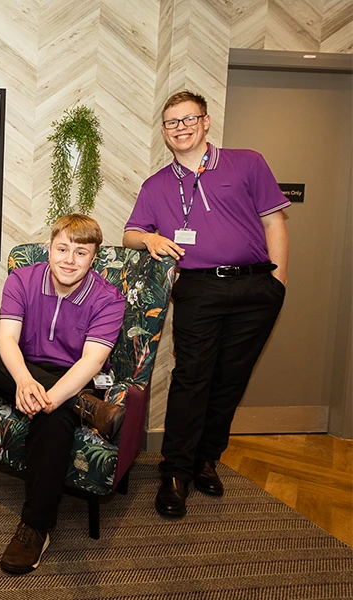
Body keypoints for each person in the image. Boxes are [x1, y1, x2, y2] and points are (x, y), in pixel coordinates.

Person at [123, 90, 289, 518]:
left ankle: (206, 459)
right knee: (193, 377)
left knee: (231, 379)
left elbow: (274, 221)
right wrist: (151, 238)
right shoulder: (156, 185)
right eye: (172, 122)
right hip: (198, 289)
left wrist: (279, 282)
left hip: (256, 289)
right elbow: (129, 235)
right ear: (164, 132)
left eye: (188, 119)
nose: (181, 128)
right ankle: (175, 472)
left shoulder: (247, 162)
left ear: (206, 121)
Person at [0, 214, 126, 575]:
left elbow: (92, 361)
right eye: (62, 249)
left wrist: (55, 398)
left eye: (81, 253)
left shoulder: (108, 298)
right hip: (22, 371)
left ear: (93, 258)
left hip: (73, 377)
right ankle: (85, 409)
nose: (69, 260)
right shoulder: (22, 279)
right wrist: (25, 381)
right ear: (49, 248)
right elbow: (6, 339)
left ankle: (35, 527)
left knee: (52, 418)